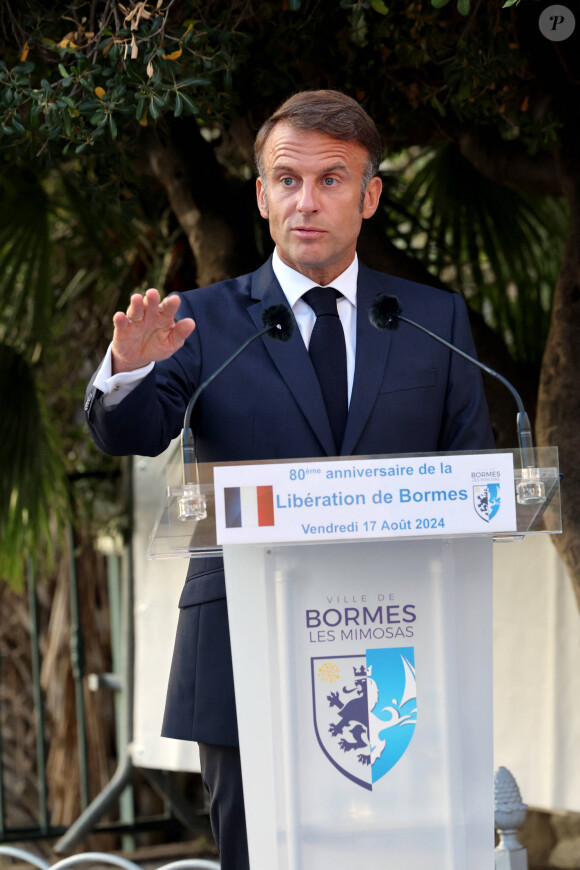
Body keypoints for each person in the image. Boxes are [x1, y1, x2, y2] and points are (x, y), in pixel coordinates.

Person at [86, 90, 494, 869]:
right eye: (287, 179)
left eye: (332, 180)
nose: (307, 201)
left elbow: (474, 479)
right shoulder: (201, 322)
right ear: (263, 195)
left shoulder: (430, 320)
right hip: (245, 660)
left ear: (370, 196)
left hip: (401, 658)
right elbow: (132, 433)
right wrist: (128, 371)